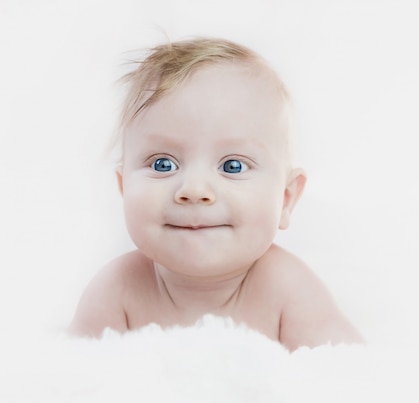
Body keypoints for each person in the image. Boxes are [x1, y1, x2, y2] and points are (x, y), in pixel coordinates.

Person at [69, 37, 363, 351]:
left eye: (233, 166)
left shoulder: (290, 292)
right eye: (163, 163)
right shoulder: (116, 292)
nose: (194, 191)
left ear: (286, 199)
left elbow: (347, 374)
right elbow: (70, 378)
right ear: (124, 187)